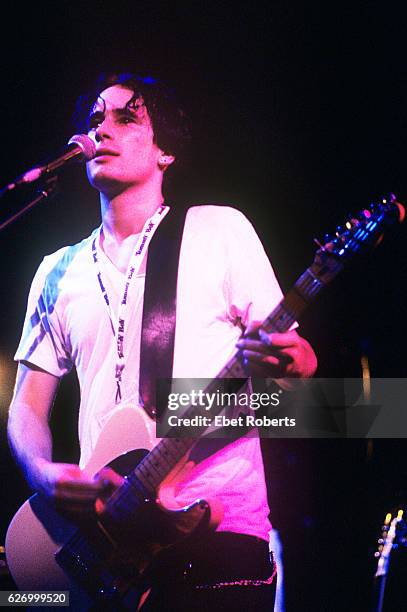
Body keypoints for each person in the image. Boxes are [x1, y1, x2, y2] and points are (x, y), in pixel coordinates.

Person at [7, 73, 317, 610]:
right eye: (95, 119)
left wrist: (298, 361)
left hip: (218, 536)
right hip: (108, 541)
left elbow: (296, 371)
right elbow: (26, 408)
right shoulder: (56, 270)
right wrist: (44, 474)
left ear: (164, 151)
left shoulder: (219, 231)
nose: (101, 130)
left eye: (126, 118)